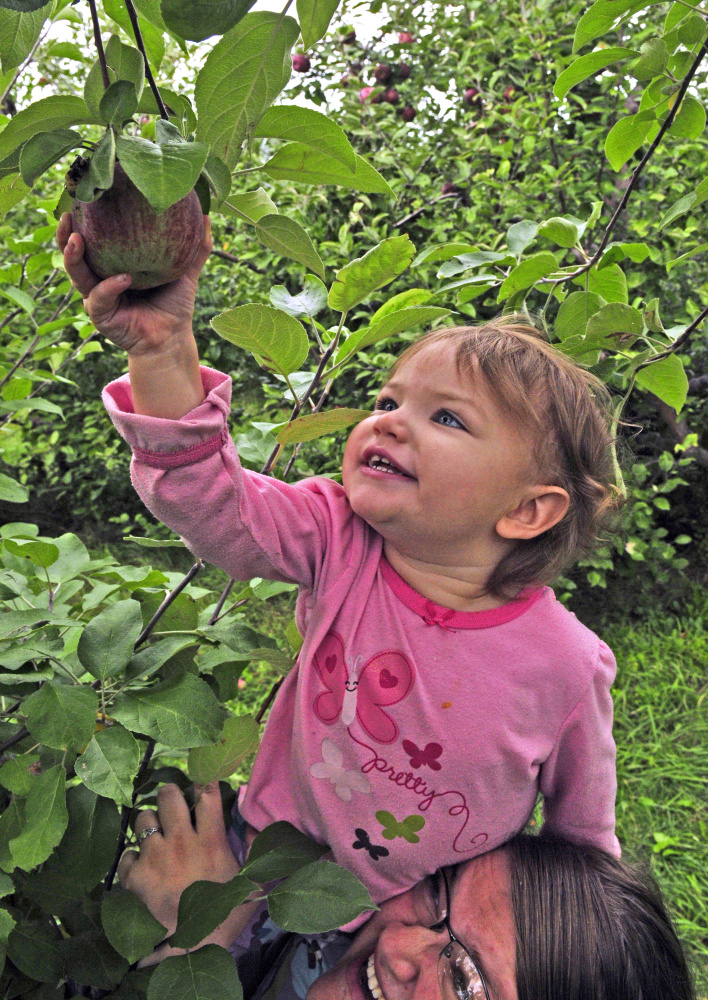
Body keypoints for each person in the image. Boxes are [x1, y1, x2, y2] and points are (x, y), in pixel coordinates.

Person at [58, 212, 622, 931]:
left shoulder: (566, 669)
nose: (386, 421)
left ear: (527, 510)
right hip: (258, 862)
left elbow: (583, 851)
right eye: (389, 401)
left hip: (404, 936)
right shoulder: (340, 538)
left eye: (446, 419)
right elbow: (209, 495)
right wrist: (163, 347)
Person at [118, 781, 696, 1000]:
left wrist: (182, 952)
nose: (396, 949)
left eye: (469, 987)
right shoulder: (319, 923)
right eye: (438, 895)